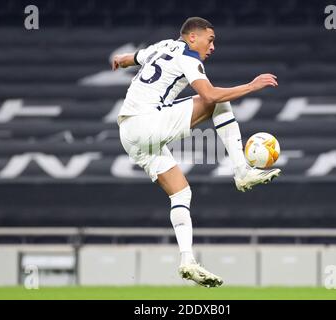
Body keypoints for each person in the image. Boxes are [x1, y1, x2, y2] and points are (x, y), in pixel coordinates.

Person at [113, 17, 280, 287]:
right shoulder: (188, 57)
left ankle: (187, 260)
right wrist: (251, 86)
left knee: (181, 192)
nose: (212, 47)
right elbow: (211, 96)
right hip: (147, 122)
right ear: (192, 37)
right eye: (210, 40)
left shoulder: (162, 46)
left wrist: (122, 59)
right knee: (215, 101)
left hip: (128, 133)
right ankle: (242, 171)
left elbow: (135, 57)